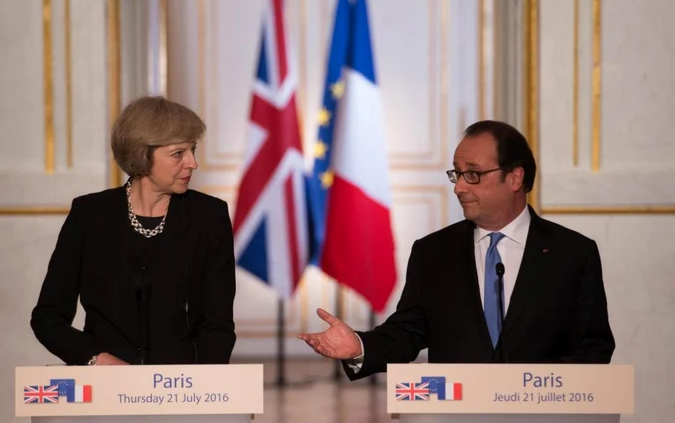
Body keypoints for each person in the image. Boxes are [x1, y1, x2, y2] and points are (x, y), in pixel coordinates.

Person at [298, 120, 615, 379]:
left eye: (473, 174)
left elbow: (593, 347)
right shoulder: (433, 253)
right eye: (457, 174)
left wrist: (529, 390)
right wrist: (358, 345)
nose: (459, 187)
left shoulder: (572, 254)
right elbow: (407, 332)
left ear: (515, 178)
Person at [31, 96, 237, 366]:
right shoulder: (90, 215)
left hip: (184, 391)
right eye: (178, 154)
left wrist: (194, 385)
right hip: (104, 390)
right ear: (143, 154)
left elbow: (218, 325)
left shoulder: (210, 217)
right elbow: (48, 318)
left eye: (192, 150)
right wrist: (95, 358)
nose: (192, 163)